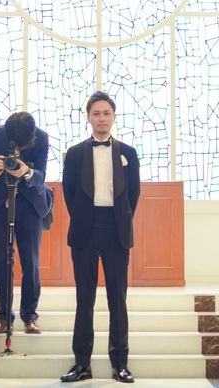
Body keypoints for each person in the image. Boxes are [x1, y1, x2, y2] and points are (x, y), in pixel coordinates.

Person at [60, 91, 140, 384]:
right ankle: (82, 363)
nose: (102, 118)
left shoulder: (128, 153)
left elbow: (133, 194)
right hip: (85, 228)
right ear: (88, 118)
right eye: (96, 113)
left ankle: (120, 363)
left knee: (117, 299)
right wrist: (85, 218)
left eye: (106, 113)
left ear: (114, 117)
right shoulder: (75, 153)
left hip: (116, 229)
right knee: (85, 298)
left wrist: (120, 220)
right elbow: (69, 193)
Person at [0, 112, 50, 334]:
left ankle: (30, 316)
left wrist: (27, 171)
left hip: (30, 204)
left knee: (31, 261)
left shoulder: (42, 137)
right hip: (0, 203)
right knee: (2, 262)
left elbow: (41, 175)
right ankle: (4, 318)